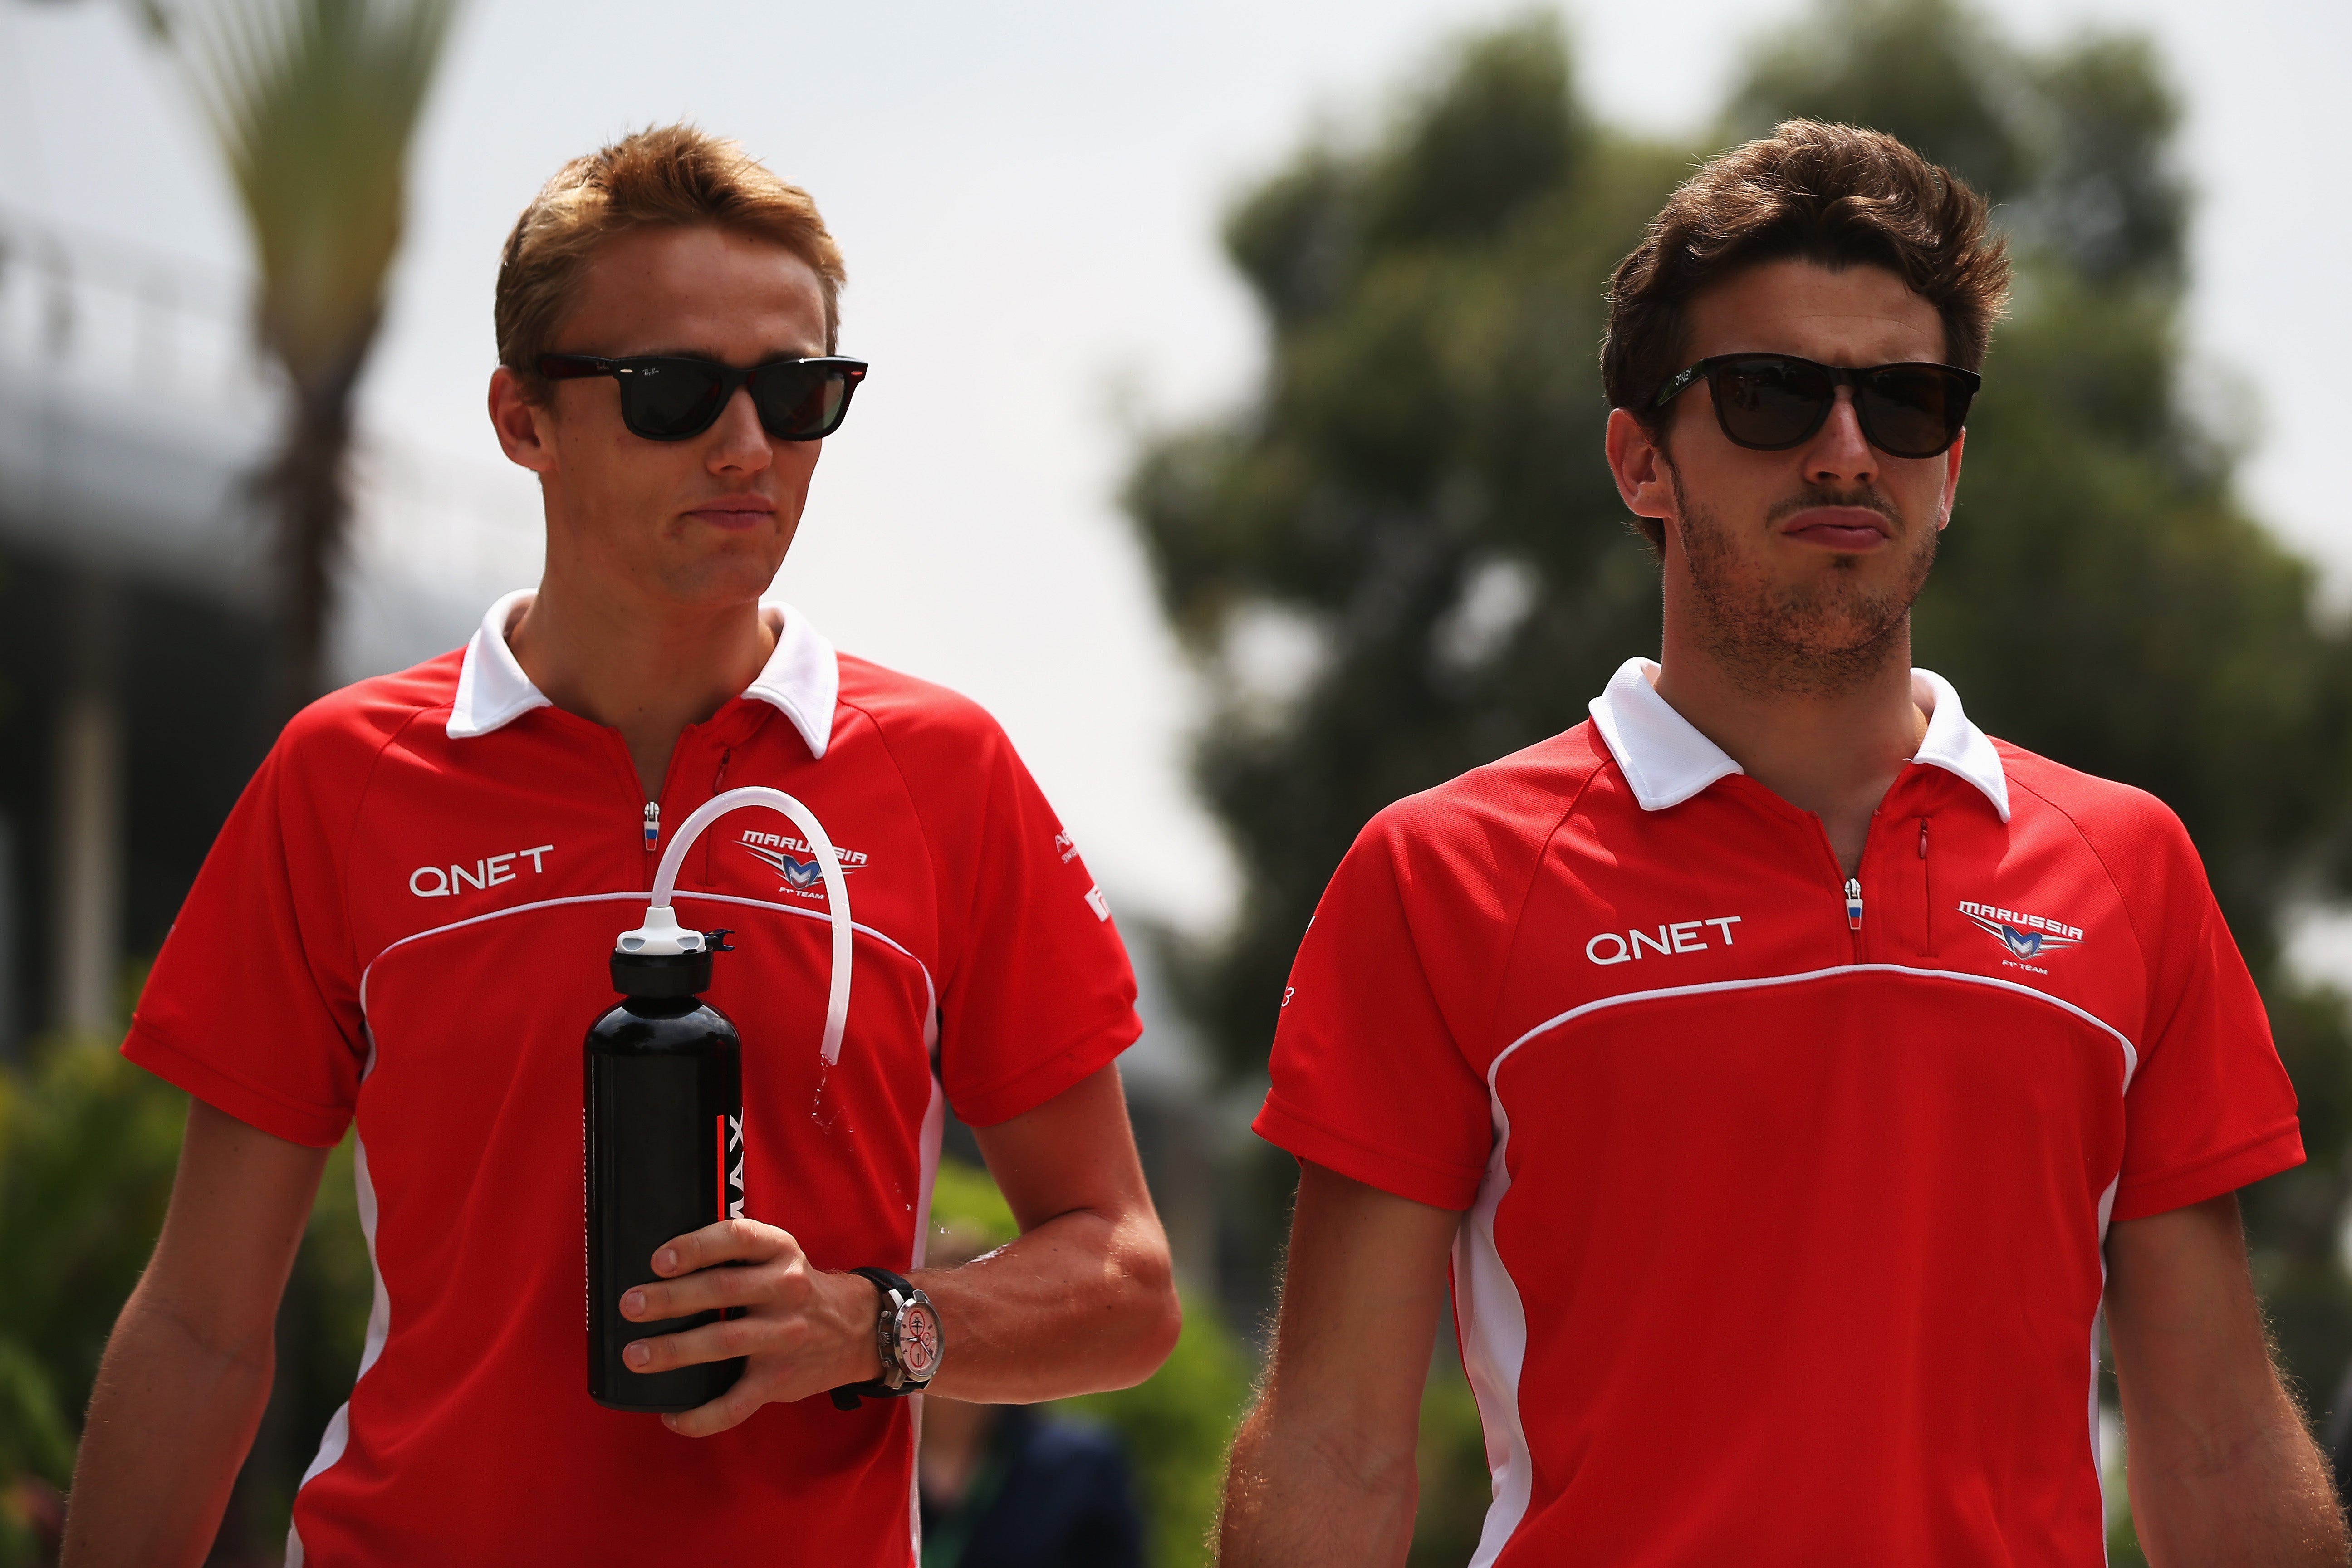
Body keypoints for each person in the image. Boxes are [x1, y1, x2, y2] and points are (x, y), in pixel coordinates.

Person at [1218, 120, 2347, 1566]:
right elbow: (1335, 1446)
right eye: (1768, 396)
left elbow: (2216, 1439)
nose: (1845, 450)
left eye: (1908, 403)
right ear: (1640, 462)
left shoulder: (2132, 868)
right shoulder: (1442, 873)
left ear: (1953, 465)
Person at [61, 126, 1180, 1567]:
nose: (746, 447)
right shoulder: (346, 777)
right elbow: (205, 1325)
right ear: (522, 418)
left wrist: (873, 1324)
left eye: (797, 393)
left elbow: (1128, 1277)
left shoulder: (941, 774)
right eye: (673, 393)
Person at [915, 1224, 1145, 1568]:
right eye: (934, 1327)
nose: (954, 1346)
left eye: (976, 1323)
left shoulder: (1081, 1466)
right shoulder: (871, 1466)